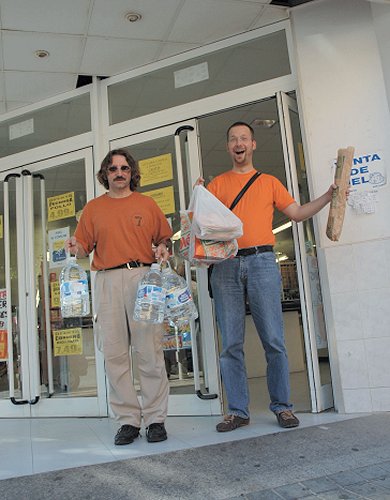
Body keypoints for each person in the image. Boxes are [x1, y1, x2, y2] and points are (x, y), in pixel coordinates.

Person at [199, 121, 338, 432]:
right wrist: (198, 196)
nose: (239, 143)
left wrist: (328, 196)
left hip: (263, 261)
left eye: (244, 138)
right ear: (228, 146)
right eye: (233, 138)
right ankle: (237, 411)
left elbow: (297, 214)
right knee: (230, 343)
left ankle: (283, 407)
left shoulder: (269, 182)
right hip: (226, 265)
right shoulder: (216, 185)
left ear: (253, 145)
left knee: (274, 339)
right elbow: (203, 227)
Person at [65, 148, 172, 445]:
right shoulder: (93, 209)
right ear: (105, 174)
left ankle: (155, 419)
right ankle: (128, 420)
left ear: (132, 172)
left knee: (149, 351)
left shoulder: (147, 204)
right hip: (107, 279)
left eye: (124, 168)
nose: (119, 173)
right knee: (114, 354)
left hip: (143, 278)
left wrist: (164, 246)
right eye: (113, 169)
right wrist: (75, 247)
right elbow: (84, 247)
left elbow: (164, 237)